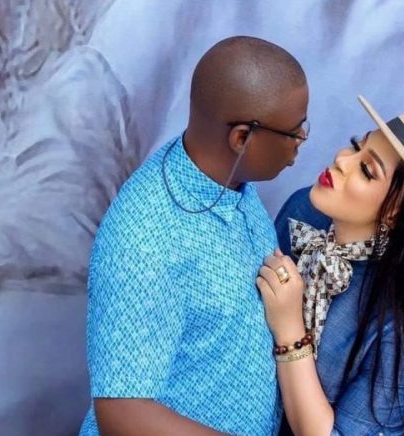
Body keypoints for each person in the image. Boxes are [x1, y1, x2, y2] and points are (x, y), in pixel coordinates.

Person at [79, 36, 309, 435]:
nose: (302, 140)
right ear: (242, 138)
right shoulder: (145, 238)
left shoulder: (230, 179)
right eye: (293, 131)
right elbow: (121, 413)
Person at [256, 95, 404, 435]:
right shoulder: (303, 212)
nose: (342, 160)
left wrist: (290, 329)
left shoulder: (401, 326)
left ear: (396, 211)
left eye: (367, 170)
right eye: (356, 146)